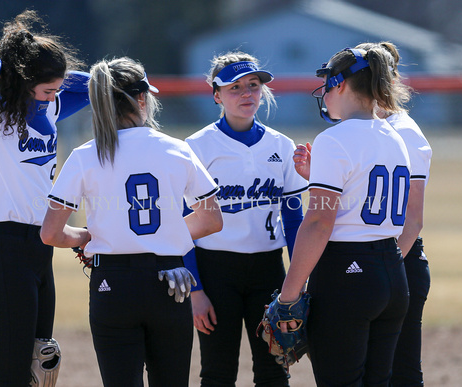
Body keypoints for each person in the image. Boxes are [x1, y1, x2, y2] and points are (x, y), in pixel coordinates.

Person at [39, 56, 223, 387]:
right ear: (141, 99)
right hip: (170, 281)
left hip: (113, 284)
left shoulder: (85, 155)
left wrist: (86, 237)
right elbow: (211, 220)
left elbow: (51, 233)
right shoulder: (176, 149)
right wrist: (167, 234)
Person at [0, 10, 90, 386]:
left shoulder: (47, 106)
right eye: (48, 89)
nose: (55, 95)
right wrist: (16, 61)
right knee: (11, 377)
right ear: (24, 81)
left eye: (55, 90)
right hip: (4, 252)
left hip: (40, 252)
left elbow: (93, 84)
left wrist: (51, 88)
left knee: (40, 370)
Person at [277, 46, 412, 386]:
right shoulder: (395, 136)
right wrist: (317, 177)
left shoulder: (334, 139)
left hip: (346, 275)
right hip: (393, 271)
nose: (323, 93)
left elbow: (319, 222)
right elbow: (358, 195)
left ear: (340, 84)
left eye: (325, 83)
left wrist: (289, 294)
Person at [183, 51, 307, 386]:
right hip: (214, 269)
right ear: (217, 95)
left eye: (253, 85)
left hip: (268, 269)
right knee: (218, 370)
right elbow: (182, 226)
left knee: (274, 368)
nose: (247, 94)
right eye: (235, 87)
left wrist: (297, 283)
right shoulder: (196, 147)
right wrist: (196, 289)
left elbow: (294, 221)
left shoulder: (281, 145)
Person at [355, 41, 432, 387]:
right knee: (368, 370)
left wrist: (384, 268)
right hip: (370, 262)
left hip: (396, 259)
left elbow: (412, 221)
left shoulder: (404, 132)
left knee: (399, 374)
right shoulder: (364, 128)